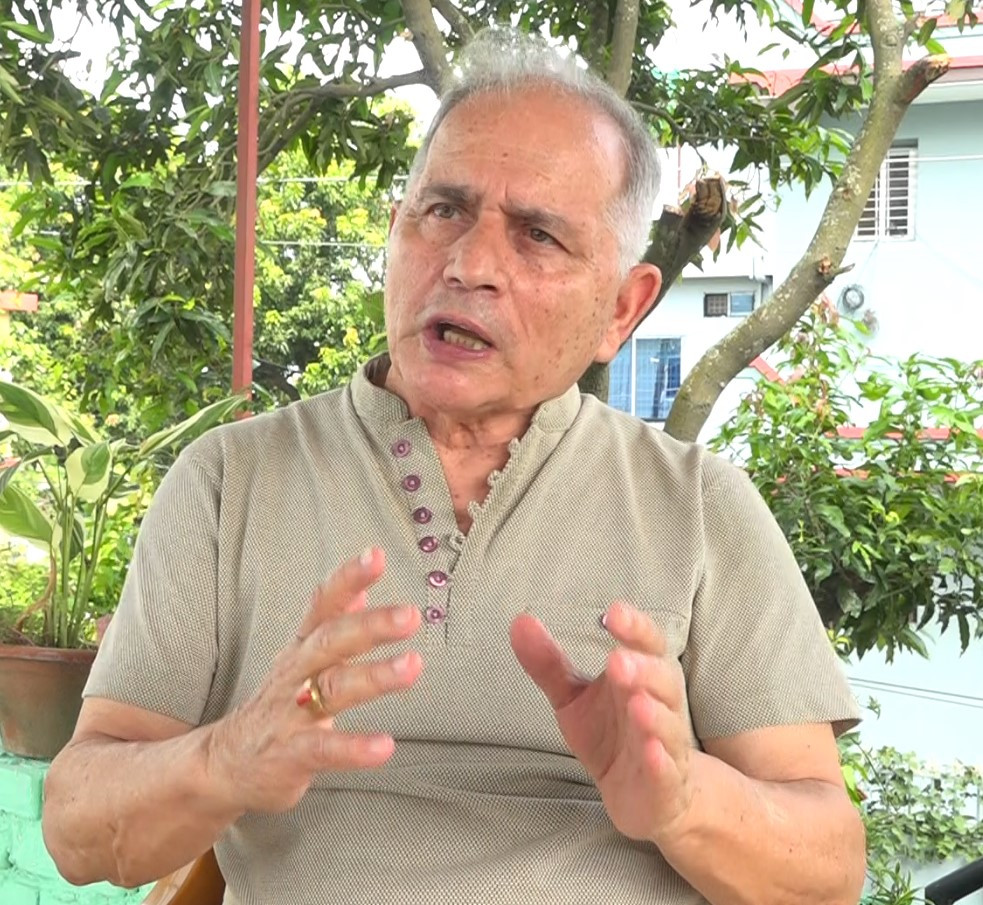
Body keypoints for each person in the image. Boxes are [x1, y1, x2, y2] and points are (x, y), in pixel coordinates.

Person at [42, 28, 865, 905]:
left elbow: (826, 874)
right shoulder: (228, 480)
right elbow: (79, 830)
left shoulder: (697, 504)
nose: (470, 265)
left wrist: (683, 798)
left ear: (620, 311)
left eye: (538, 236)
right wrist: (225, 758)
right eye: (442, 211)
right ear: (395, 232)